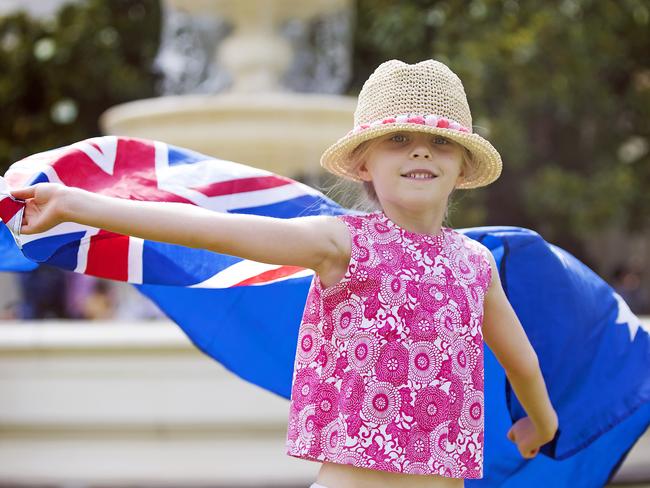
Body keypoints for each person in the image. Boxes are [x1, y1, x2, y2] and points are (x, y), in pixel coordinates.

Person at [10, 59, 558, 488]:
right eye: (398, 139)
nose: (421, 149)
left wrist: (543, 422)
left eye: (441, 141)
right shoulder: (340, 242)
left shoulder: (475, 264)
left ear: (461, 167)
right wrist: (80, 206)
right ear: (364, 164)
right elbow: (207, 230)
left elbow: (523, 361)